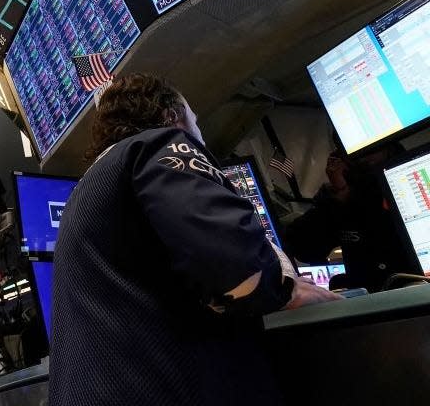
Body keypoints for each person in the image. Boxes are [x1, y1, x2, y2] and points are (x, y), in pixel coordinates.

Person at [48, 74, 340, 406]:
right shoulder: (158, 145)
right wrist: (289, 288)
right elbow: (237, 268)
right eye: (196, 122)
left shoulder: (85, 193)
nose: (200, 135)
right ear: (172, 117)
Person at [283, 145, 409, 292]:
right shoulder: (342, 200)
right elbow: (303, 249)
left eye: (370, 151)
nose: (363, 157)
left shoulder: (404, 176)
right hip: (370, 300)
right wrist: (337, 196)